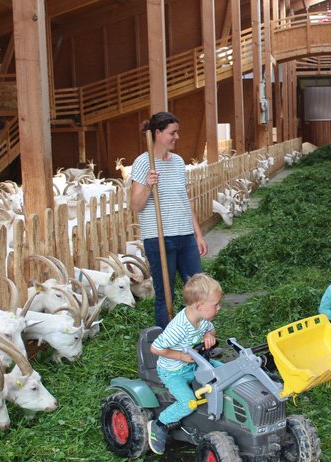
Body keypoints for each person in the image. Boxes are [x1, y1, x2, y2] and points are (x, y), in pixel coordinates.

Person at [130, 112, 208, 328]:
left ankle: (199, 337)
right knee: (166, 294)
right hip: (159, 238)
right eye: (172, 132)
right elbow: (136, 205)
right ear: (158, 133)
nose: (177, 137)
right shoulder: (143, 163)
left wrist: (198, 234)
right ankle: (168, 344)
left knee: (198, 289)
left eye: (177, 132)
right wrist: (148, 185)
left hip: (185, 236)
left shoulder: (178, 161)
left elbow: (185, 199)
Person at [146, 273, 222, 455]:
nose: (219, 308)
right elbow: (156, 348)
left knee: (225, 372)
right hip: (173, 372)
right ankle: (160, 425)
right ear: (199, 306)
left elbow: (211, 330)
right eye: (215, 305)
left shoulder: (203, 320)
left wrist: (208, 336)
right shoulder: (178, 328)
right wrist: (180, 356)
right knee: (188, 403)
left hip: (194, 364)